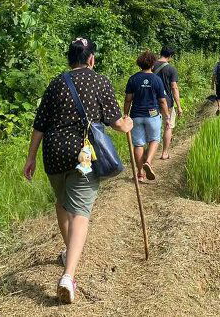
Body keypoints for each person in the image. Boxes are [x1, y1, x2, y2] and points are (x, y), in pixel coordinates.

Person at [24, 38, 133, 305]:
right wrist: (127, 124)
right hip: (83, 154)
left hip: (53, 153)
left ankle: (67, 251)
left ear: (69, 58)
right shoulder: (100, 81)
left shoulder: (56, 83)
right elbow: (116, 122)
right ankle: (68, 275)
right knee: (81, 213)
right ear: (91, 58)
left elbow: (39, 124)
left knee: (63, 204)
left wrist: (31, 158)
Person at [124, 50, 170, 182]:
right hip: (153, 115)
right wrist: (166, 116)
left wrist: (126, 114)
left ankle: (139, 174)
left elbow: (128, 99)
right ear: (152, 64)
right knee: (154, 140)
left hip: (136, 115)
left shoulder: (133, 79)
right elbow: (162, 101)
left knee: (138, 144)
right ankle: (148, 162)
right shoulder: (156, 80)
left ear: (140, 63)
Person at [152, 46, 182, 160]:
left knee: (153, 127)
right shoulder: (171, 69)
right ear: (171, 56)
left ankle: (148, 153)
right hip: (167, 102)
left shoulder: (151, 65)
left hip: (152, 101)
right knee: (168, 126)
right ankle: (164, 153)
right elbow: (174, 87)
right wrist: (179, 106)